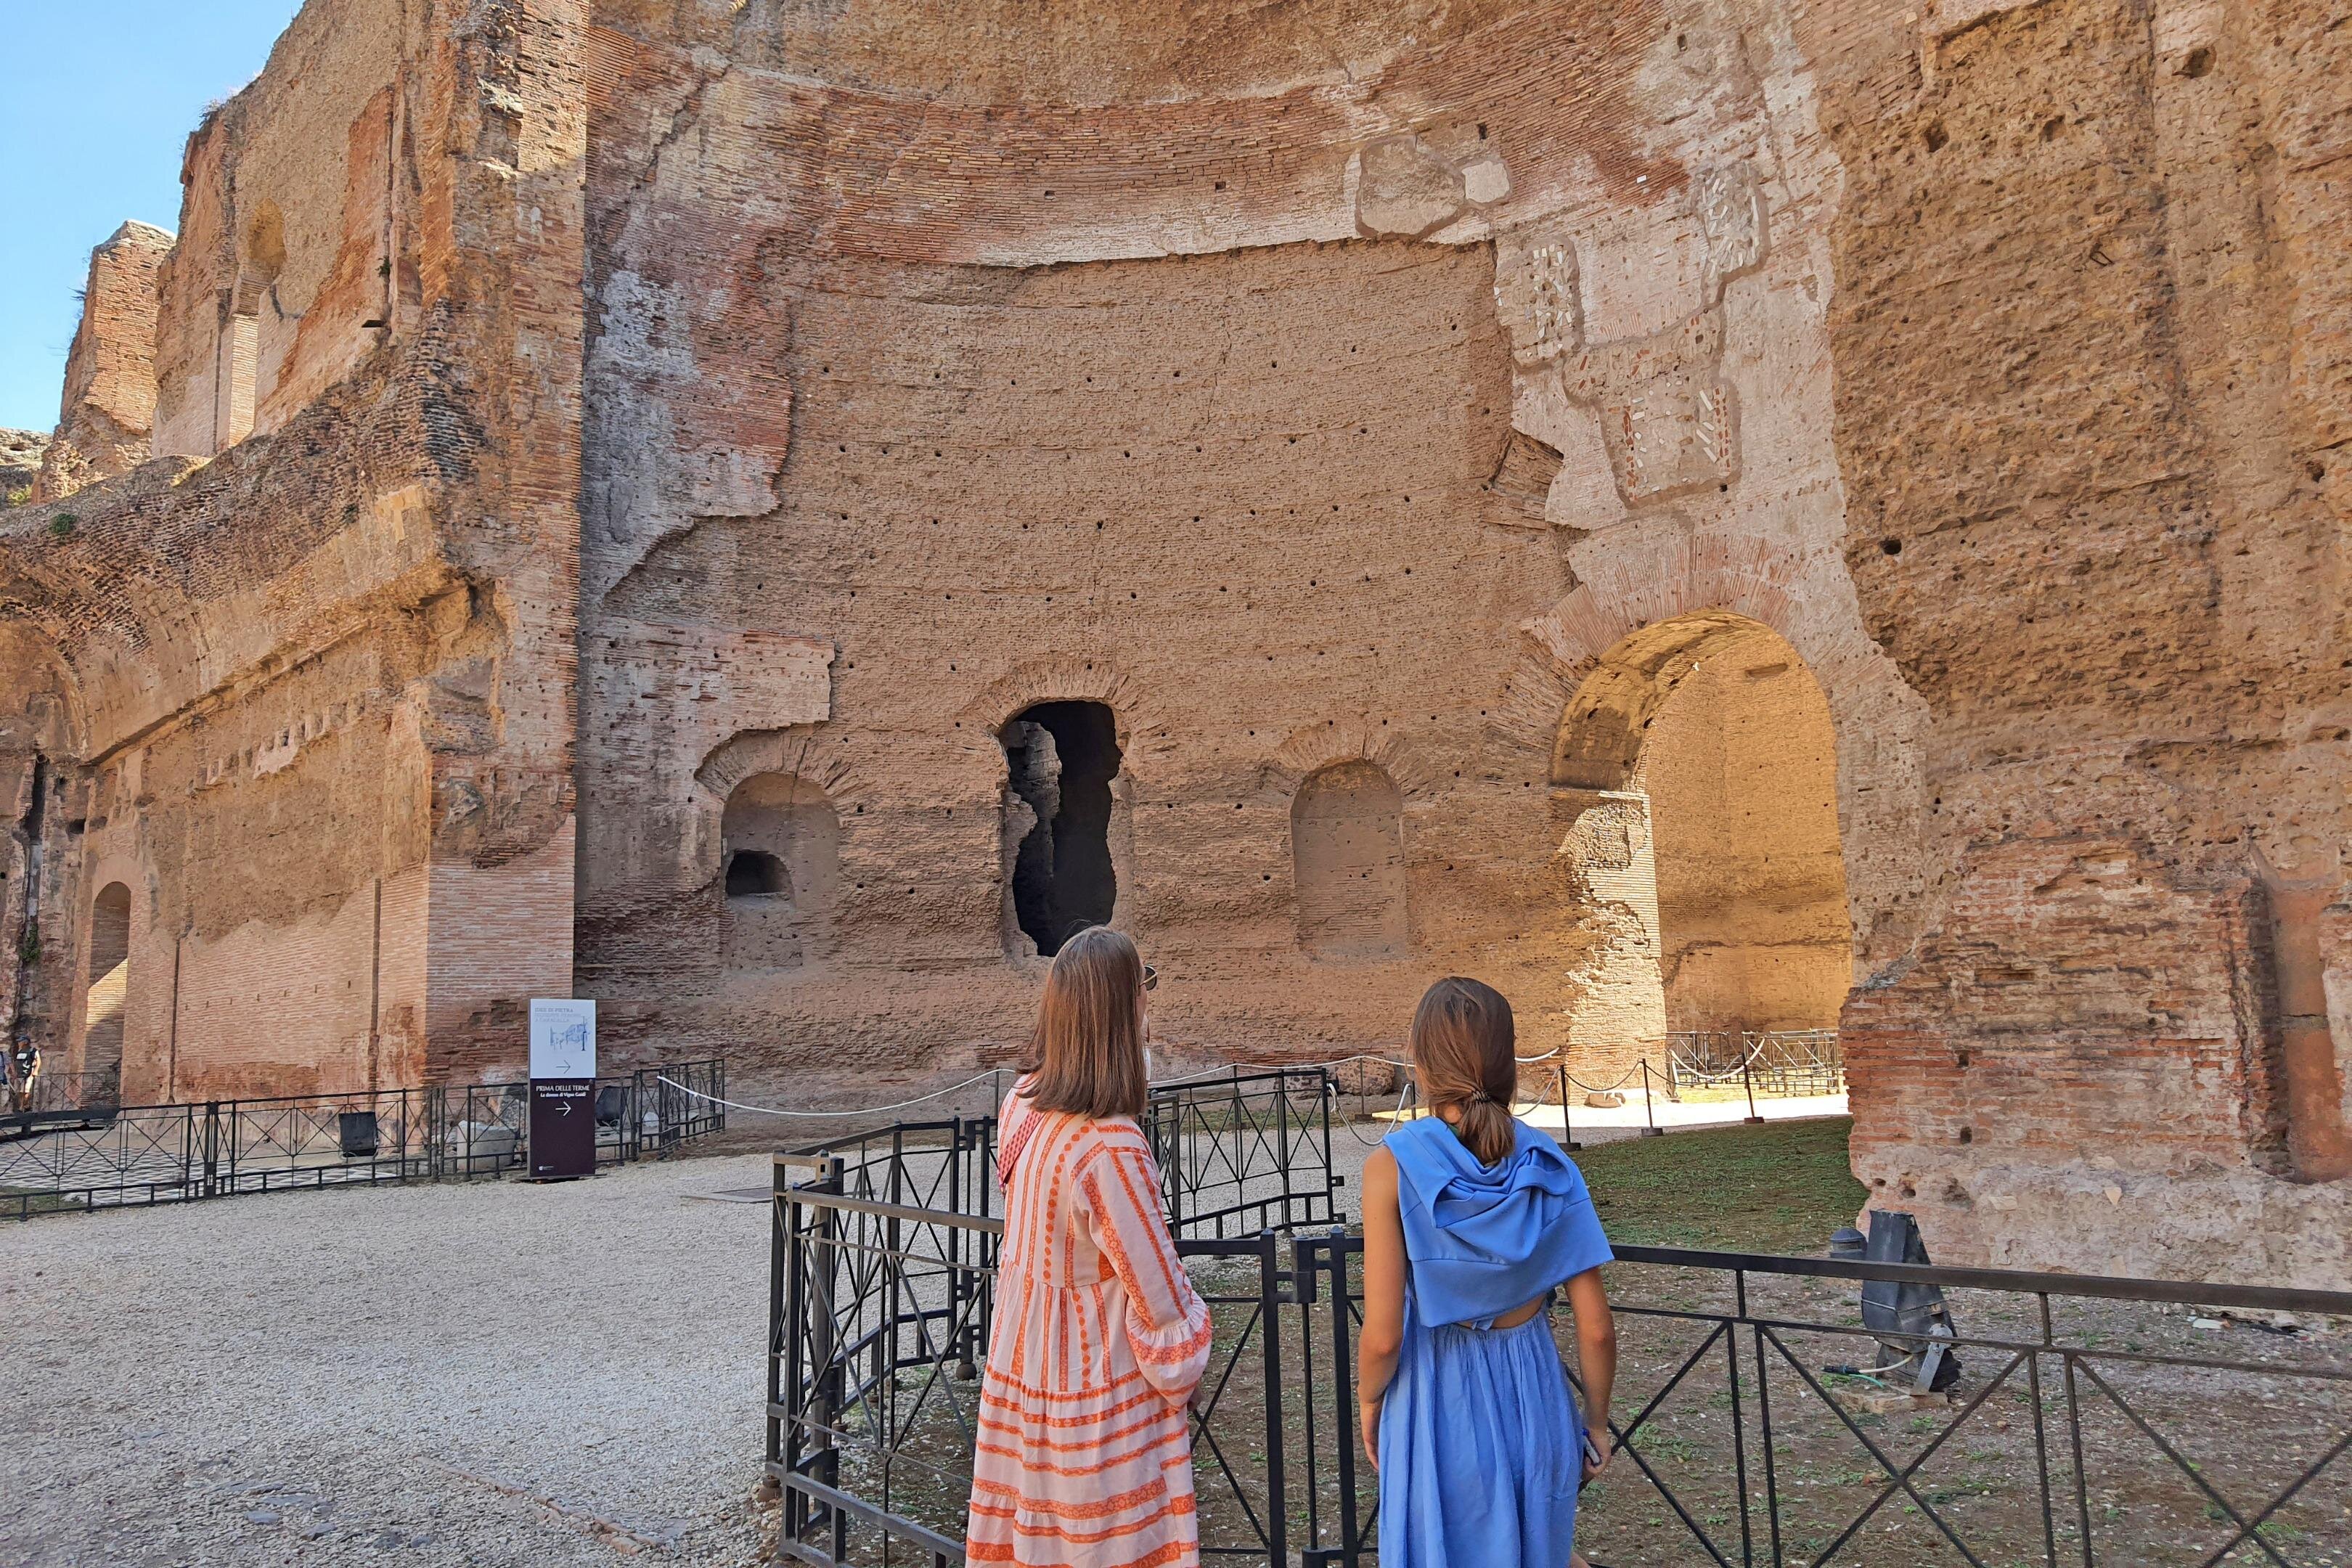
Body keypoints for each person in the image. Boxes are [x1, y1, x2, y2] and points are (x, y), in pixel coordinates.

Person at [966, 926, 1215, 1568]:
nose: (1148, 1005)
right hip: (1095, 1386)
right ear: (1121, 1009)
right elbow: (1159, 1297)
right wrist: (1185, 1362)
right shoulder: (1109, 1145)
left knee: (1038, 1540)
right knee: (1098, 1546)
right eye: (1142, 990)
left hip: (1025, 1367)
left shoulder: (1023, 1101)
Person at [1356, 978, 1619, 1568]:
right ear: (1508, 1062)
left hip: (1436, 1397)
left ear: (1423, 1065)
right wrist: (1597, 1424)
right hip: (1536, 1396)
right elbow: (1597, 1328)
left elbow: (1383, 1336)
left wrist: (1370, 1402)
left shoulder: (1391, 1167)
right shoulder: (1550, 1162)